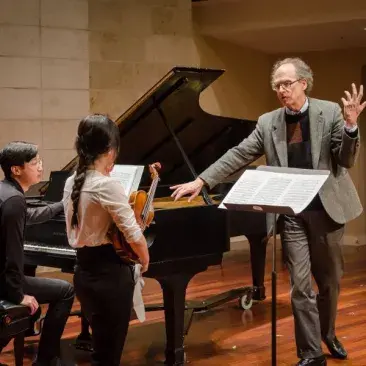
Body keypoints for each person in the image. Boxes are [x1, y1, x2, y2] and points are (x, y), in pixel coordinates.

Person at [170, 57, 365, 366]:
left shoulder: (329, 113)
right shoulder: (268, 122)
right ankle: (312, 353)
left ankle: (327, 333)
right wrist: (202, 179)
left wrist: (352, 126)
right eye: (277, 85)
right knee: (300, 287)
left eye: (287, 83)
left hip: (325, 212)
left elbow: (346, 159)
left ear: (303, 83)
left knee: (329, 283)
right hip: (290, 214)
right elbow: (239, 154)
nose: (281, 90)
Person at [63, 114, 150, 366]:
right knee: (109, 353)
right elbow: (132, 234)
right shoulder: (106, 185)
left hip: (84, 273)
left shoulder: (71, 182)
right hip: (110, 276)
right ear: (111, 150)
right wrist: (144, 259)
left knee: (101, 350)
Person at [0, 141, 75, 366]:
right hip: (2, 281)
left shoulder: (6, 192)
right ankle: (46, 359)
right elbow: (10, 257)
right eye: (34, 162)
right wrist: (18, 295)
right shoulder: (14, 201)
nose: (41, 166)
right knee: (66, 291)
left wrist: (62, 204)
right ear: (16, 169)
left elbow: (30, 217)